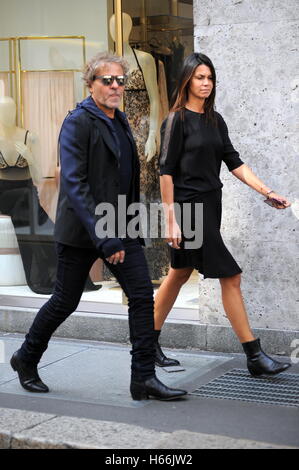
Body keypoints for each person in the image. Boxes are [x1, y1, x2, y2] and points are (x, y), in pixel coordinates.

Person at [9, 52, 187, 401]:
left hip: (119, 225)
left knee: (140, 295)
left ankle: (143, 378)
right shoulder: (79, 121)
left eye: (120, 80)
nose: (116, 86)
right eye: (107, 80)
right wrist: (105, 236)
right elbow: (75, 184)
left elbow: (123, 180)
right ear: (90, 84)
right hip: (84, 232)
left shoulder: (119, 120)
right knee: (64, 301)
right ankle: (26, 357)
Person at [154, 52, 292, 377]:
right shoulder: (176, 121)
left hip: (210, 206)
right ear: (186, 80)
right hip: (189, 212)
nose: (205, 83)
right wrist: (171, 219)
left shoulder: (215, 120)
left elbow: (234, 162)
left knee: (178, 274)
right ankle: (254, 355)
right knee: (230, 276)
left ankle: (145, 342)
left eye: (209, 78)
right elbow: (165, 173)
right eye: (199, 77)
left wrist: (267, 191)